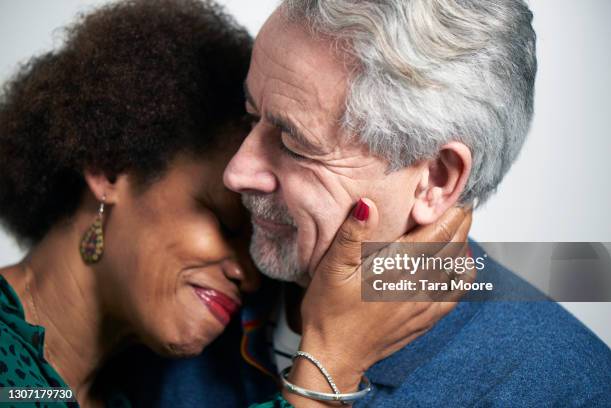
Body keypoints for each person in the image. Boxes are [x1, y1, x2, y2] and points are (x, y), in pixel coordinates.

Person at [0, 1, 470, 407]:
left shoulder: (128, 390)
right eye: (225, 222)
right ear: (109, 170)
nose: (249, 274)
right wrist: (330, 360)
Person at [147, 0, 611, 406]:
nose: (237, 172)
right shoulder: (186, 301)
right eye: (251, 118)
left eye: (295, 144)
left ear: (435, 178)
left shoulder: (570, 389)